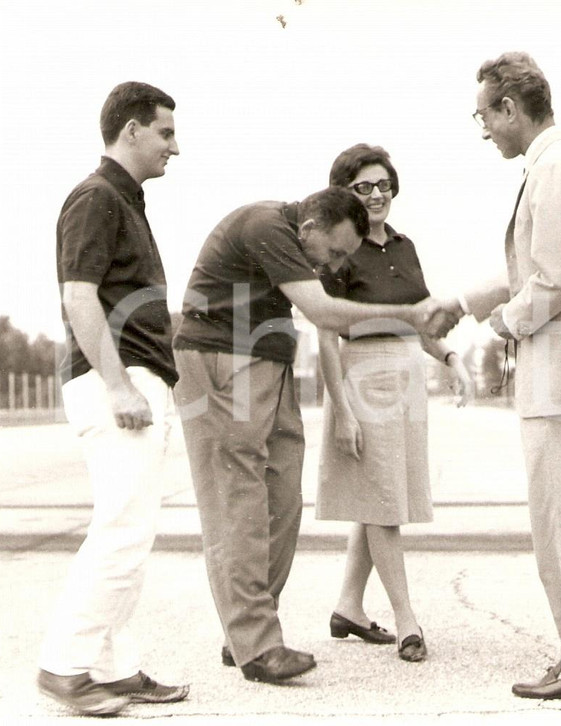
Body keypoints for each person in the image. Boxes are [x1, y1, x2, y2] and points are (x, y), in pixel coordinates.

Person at [425, 52, 561, 700]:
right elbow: (537, 270)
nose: (483, 128)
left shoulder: (552, 170)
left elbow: (555, 281)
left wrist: (496, 327)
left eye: (484, 114)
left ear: (510, 108)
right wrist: (462, 302)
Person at [173, 187, 433, 684]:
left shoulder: (297, 236)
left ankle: (245, 633)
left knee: (282, 500)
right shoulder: (266, 225)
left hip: (267, 363)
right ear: (310, 229)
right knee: (240, 502)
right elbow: (325, 312)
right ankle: (257, 644)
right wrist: (409, 316)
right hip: (221, 362)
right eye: (334, 253)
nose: (335, 264)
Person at [38, 81, 189, 717]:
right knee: (122, 531)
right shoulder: (96, 198)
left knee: (129, 529)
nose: (174, 148)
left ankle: (113, 666)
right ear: (131, 130)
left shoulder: (123, 200)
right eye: (165, 133)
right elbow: (79, 297)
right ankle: (64, 667)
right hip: (115, 380)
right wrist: (121, 385)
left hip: (133, 377)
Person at [315, 144, 473, 664]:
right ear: (345, 194)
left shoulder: (405, 247)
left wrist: (451, 356)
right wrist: (340, 408)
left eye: (383, 184)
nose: (377, 194)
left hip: (405, 379)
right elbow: (325, 332)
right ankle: (407, 619)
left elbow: (421, 321)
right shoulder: (341, 248)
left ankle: (348, 606)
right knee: (383, 500)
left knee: (379, 496)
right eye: (363, 187)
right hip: (362, 378)